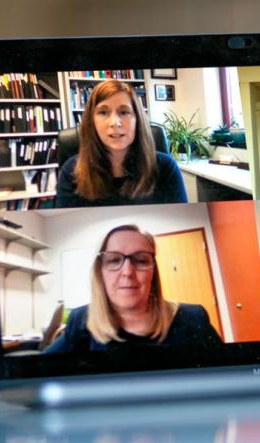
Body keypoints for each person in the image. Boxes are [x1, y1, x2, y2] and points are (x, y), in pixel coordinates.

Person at [43, 224, 222, 353]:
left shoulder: (193, 318)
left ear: (153, 271)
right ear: (99, 272)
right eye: (114, 260)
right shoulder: (81, 320)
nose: (128, 272)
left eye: (141, 260)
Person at [56, 80, 187, 207]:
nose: (114, 122)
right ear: (92, 122)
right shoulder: (71, 171)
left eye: (124, 112)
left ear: (138, 120)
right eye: (103, 112)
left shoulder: (166, 168)